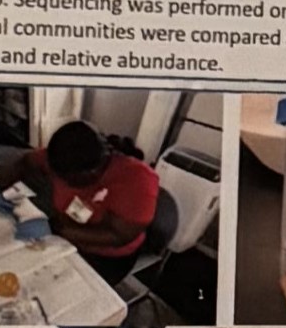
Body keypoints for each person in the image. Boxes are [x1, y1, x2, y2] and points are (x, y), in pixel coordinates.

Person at [19, 116, 179, 279]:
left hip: (106, 257)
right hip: (64, 234)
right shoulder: (62, 158)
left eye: (68, 179)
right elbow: (26, 162)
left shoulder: (136, 180)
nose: (62, 182)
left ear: (93, 172)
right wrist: (3, 190)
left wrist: (60, 230)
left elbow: (119, 236)